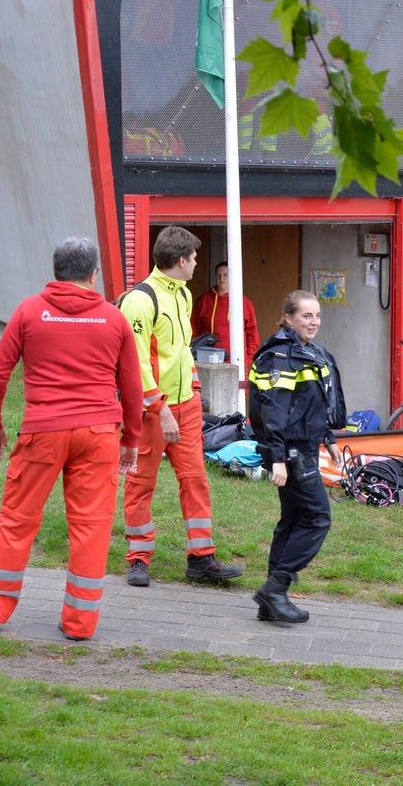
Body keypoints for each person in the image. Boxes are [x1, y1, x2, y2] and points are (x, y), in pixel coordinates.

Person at [0, 238, 143, 641]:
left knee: (15, 520)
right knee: (91, 528)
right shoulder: (113, 319)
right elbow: (131, 386)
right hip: (98, 435)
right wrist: (131, 436)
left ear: (56, 271)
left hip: (43, 430)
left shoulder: (27, 311)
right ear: (93, 274)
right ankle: (80, 624)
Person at [119, 226, 243, 587]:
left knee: (195, 479)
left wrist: (192, 389)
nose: (196, 265)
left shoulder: (184, 295)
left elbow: (182, 350)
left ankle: (201, 558)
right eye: (193, 259)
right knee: (141, 481)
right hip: (152, 410)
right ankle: (138, 558)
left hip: (185, 406)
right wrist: (161, 408)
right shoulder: (139, 301)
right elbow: (136, 363)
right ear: (179, 260)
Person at [248, 291, 346, 622]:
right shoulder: (280, 356)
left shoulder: (307, 352)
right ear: (288, 318)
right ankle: (275, 588)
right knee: (317, 517)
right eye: (306, 316)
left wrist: (328, 438)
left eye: (317, 315)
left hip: (303, 444)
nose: (314, 322)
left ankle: (271, 601)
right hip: (290, 449)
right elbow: (275, 410)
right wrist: (277, 457)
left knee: (292, 519)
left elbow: (309, 405)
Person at [191, 261, 260, 370]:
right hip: (207, 363)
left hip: (236, 363)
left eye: (225, 275)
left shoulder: (244, 302)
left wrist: (246, 361)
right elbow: (193, 330)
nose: (221, 278)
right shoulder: (204, 301)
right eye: (218, 275)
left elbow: (253, 337)